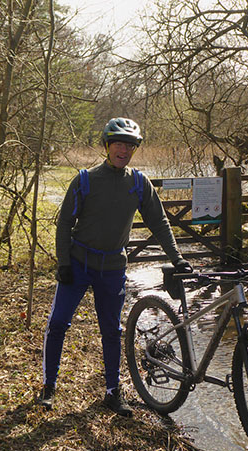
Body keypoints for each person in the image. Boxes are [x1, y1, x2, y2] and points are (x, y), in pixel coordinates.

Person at [38, 117, 191, 416]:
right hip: (79, 264)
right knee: (58, 323)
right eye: (118, 144)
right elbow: (65, 223)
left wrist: (177, 258)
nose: (124, 150)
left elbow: (158, 222)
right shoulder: (85, 180)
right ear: (107, 146)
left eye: (129, 145)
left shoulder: (138, 183)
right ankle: (48, 386)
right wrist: (64, 263)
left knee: (111, 330)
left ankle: (112, 391)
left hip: (112, 269)